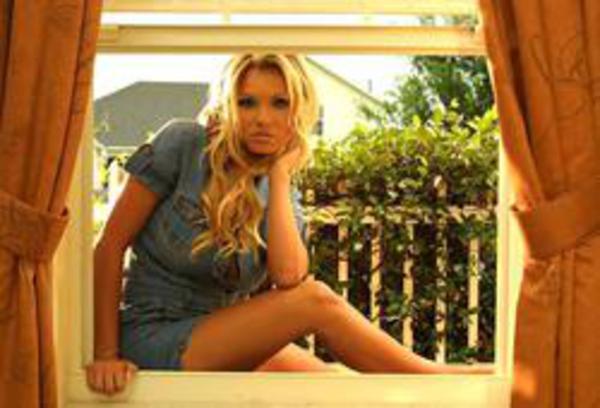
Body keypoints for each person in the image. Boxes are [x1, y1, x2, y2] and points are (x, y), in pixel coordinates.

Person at [86, 53, 489, 396]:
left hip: (222, 333)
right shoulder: (183, 144)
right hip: (154, 331)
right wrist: (105, 354)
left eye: (279, 103)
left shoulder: (279, 190)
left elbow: (288, 277)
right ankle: (436, 379)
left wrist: (279, 177)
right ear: (229, 105)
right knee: (318, 301)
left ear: (297, 113)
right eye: (247, 103)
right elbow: (109, 246)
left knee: (337, 387)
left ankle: (462, 383)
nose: (262, 118)